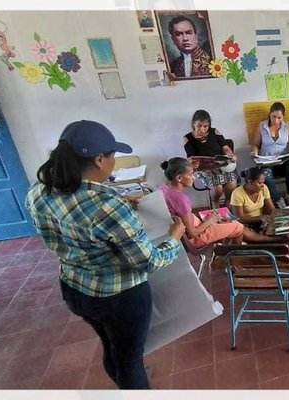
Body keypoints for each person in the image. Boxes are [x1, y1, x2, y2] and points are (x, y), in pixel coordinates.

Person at [25, 120, 185, 389]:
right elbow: (149, 262)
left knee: (112, 348)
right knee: (131, 361)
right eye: (113, 157)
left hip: (76, 289)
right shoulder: (107, 206)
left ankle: (124, 382)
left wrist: (120, 202)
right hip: (119, 298)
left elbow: (76, 210)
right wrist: (174, 238)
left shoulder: (38, 191)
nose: (113, 163)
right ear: (99, 160)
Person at [160, 158, 282, 246]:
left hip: (189, 226)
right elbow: (192, 233)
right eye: (191, 174)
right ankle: (235, 259)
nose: (194, 177)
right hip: (193, 237)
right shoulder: (180, 199)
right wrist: (210, 221)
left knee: (224, 216)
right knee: (238, 227)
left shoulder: (164, 188)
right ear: (179, 178)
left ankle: (226, 251)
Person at [250, 102, 289, 206]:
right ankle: (278, 200)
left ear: (283, 117)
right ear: (269, 114)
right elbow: (255, 144)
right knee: (266, 176)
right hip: (267, 162)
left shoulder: (287, 126)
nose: (276, 120)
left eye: (279, 118)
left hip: (283, 161)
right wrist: (254, 151)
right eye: (274, 117)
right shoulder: (262, 126)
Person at [183, 110, 238, 206]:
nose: (202, 129)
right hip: (205, 169)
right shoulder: (188, 138)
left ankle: (228, 207)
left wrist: (230, 154)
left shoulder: (214, 132)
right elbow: (191, 158)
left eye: (205, 126)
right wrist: (193, 163)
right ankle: (215, 204)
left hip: (222, 165)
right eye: (199, 126)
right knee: (218, 188)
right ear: (193, 124)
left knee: (232, 185)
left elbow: (225, 147)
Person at [230, 167, 276, 231]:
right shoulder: (237, 194)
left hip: (261, 221)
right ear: (250, 182)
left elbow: (272, 209)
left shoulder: (264, 188)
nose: (262, 185)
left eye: (263, 182)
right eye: (259, 183)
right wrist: (260, 218)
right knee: (242, 231)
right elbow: (240, 219)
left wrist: (278, 217)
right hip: (246, 223)